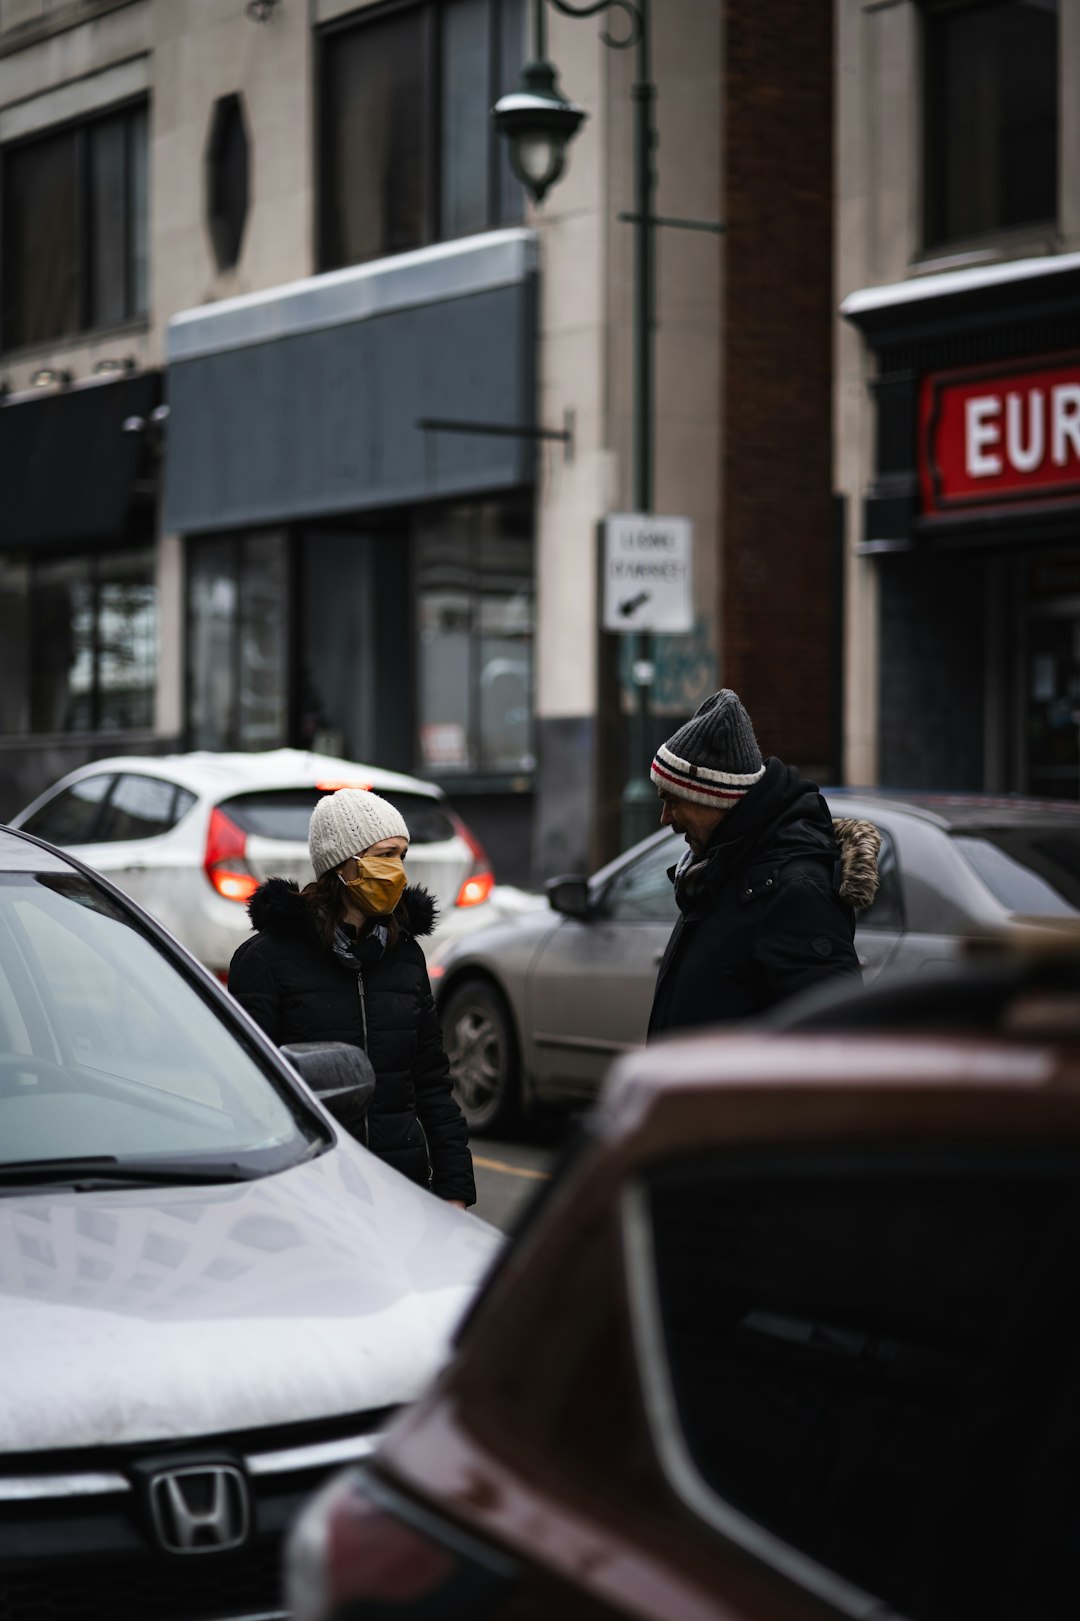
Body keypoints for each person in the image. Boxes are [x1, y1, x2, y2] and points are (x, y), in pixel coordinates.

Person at [228, 788, 475, 1207]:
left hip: (402, 1186)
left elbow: (431, 1081)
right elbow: (249, 1094)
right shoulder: (266, 960)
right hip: (312, 1191)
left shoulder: (404, 955)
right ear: (340, 864)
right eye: (384, 855)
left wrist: (454, 1187)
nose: (396, 869)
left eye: (401, 855)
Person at [648, 689, 877, 1038]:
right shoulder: (723, 867)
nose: (666, 818)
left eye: (673, 800)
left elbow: (836, 1040)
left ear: (711, 795)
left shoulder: (794, 891)